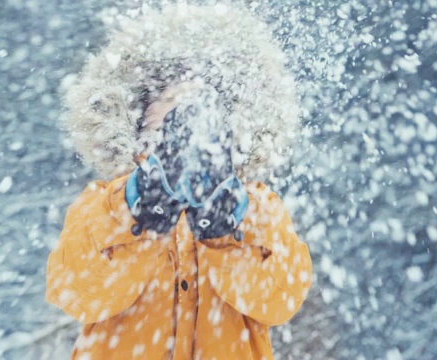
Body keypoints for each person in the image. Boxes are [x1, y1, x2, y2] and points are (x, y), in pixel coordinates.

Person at [47, 4, 312, 359]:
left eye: (202, 101)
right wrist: (137, 216)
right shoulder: (105, 204)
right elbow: (77, 292)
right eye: (170, 99)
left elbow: (280, 300)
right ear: (140, 115)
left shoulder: (258, 206)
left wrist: (227, 230)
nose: (184, 113)